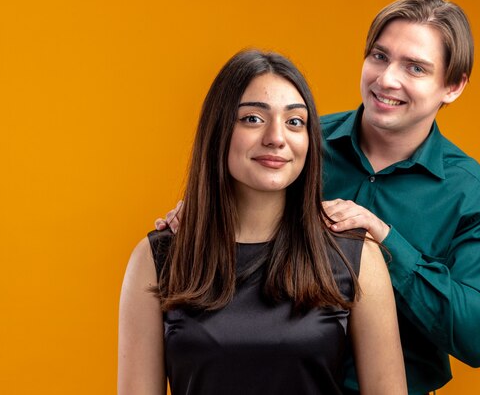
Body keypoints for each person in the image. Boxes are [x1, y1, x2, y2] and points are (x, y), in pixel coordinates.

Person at [157, 0, 480, 395]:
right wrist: (205, 211)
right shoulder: (295, 141)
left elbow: (479, 337)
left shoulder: (476, 199)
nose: (387, 79)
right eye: (379, 56)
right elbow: (238, 201)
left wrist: (390, 244)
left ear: (452, 86)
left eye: (415, 67)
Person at [119, 50, 407, 395]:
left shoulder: (356, 256)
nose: (276, 137)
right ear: (219, 130)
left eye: (294, 121)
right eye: (253, 119)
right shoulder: (156, 258)